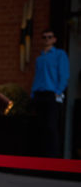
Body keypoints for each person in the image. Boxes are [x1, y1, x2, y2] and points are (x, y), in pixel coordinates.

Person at [30, 28, 70, 157]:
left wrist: (58, 91)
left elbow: (64, 75)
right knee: (39, 127)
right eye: (44, 37)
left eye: (49, 37)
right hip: (39, 94)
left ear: (54, 39)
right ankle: (41, 158)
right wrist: (32, 93)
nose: (47, 39)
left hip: (52, 95)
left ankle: (53, 159)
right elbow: (37, 77)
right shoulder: (39, 58)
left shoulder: (60, 55)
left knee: (51, 127)